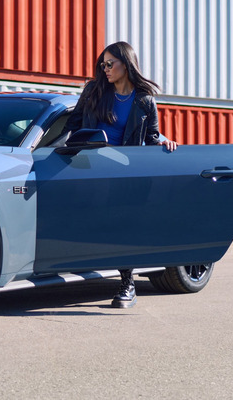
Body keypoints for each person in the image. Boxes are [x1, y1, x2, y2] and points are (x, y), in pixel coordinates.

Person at [63, 41, 178, 309]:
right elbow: (73, 124)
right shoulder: (93, 91)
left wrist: (162, 141)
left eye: (109, 63)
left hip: (125, 169)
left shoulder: (144, 100)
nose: (104, 69)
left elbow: (149, 136)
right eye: (102, 64)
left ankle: (127, 284)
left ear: (126, 64)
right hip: (93, 163)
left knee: (122, 223)